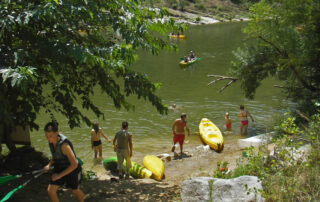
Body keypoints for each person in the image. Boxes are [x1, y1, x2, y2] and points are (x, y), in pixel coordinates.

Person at [43, 122, 84, 202]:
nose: (48, 139)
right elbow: (56, 156)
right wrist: (48, 165)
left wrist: (58, 176)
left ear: (56, 133)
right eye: (46, 136)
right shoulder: (51, 142)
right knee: (50, 191)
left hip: (72, 170)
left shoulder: (64, 146)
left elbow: (74, 164)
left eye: (50, 136)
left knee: (74, 191)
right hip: (60, 167)